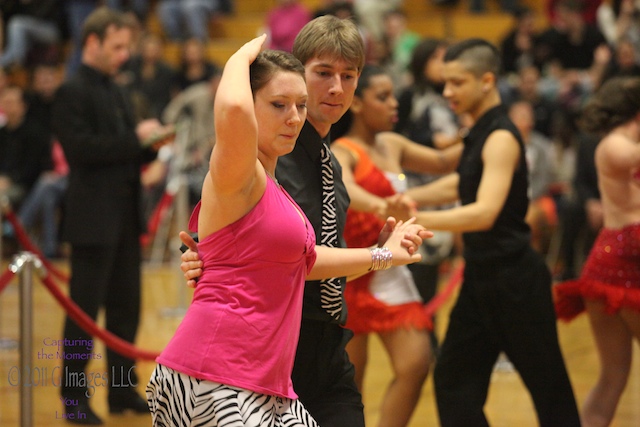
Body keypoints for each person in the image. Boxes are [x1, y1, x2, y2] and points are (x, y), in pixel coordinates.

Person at [147, 34, 428, 426]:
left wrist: (386, 254)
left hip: (265, 378)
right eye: (279, 105)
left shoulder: (276, 186)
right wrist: (242, 55)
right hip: (216, 373)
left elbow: (306, 260)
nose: (294, 117)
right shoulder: (241, 171)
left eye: (299, 106)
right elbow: (230, 109)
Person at [401, 38, 581, 426]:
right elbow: (460, 183)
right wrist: (404, 198)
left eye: (457, 83)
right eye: (445, 82)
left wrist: (416, 220)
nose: (448, 91)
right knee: (453, 380)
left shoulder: (500, 136)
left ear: (486, 81)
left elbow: (483, 212)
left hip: (515, 279)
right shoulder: (478, 131)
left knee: (548, 387)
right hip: (482, 277)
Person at [51, 7, 173, 424]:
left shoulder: (117, 88)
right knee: (84, 314)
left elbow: (123, 149)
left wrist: (151, 144)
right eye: (117, 46)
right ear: (93, 42)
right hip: (91, 218)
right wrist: (133, 139)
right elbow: (81, 151)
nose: (124, 55)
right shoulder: (71, 91)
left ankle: (121, 391)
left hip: (124, 215)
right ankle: (73, 396)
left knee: (126, 307)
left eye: (127, 47)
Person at [331, 64, 462, 427]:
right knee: (350, 383)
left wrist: (484, 124)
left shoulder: (392, 143)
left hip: (390, 269)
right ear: (356, 104)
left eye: (393, 96)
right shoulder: (344, 149)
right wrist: (380, 205)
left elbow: (444, 162)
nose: (394, 105)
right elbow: (349, 189)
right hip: (352, 270)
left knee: (417, 361)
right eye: (382, 97)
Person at [554, 76, 640, 427]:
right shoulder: (615, 145)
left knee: (612, 376)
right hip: (619, 266)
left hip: (617, 262)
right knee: (612, 375)